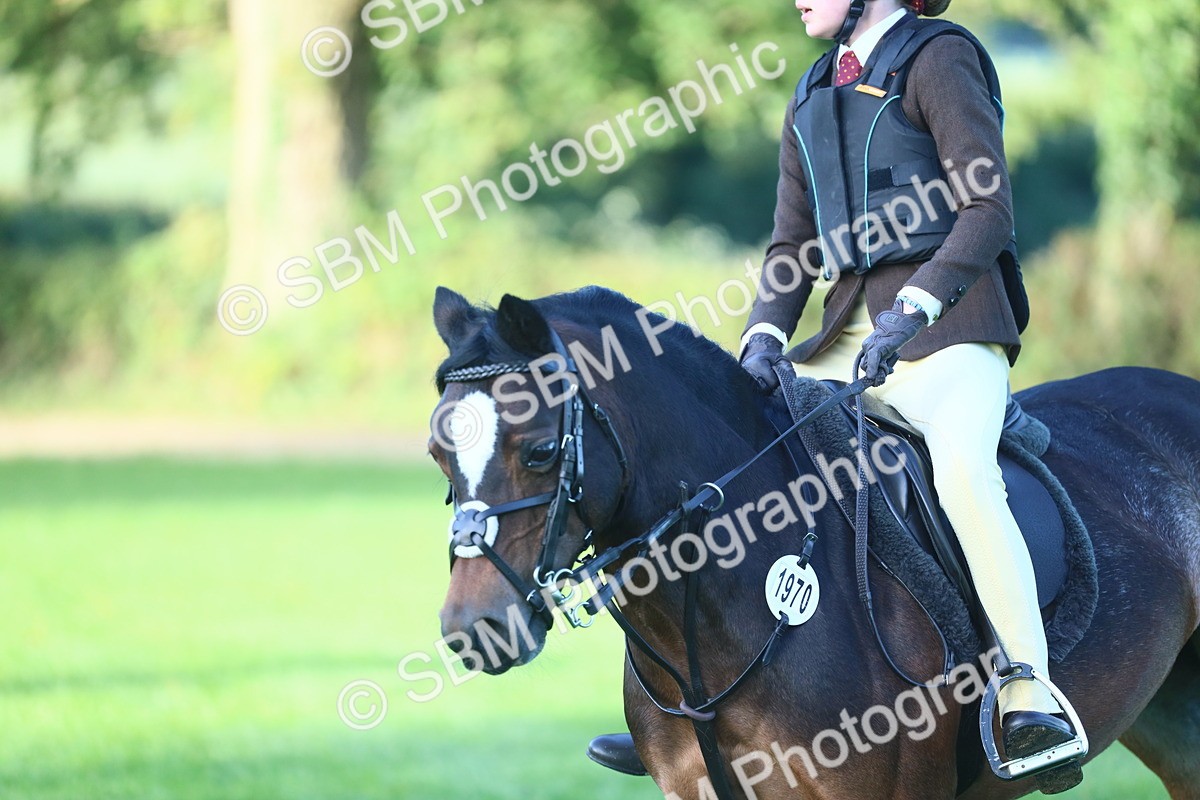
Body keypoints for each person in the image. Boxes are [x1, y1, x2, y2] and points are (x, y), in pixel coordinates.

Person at [738, 0, 1083, 791]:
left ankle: (1030, 689)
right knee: (737, 454)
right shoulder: (811, 88)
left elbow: (987, 210)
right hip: (842, 343)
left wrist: (917, 304)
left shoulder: (940, 58)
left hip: (953, 329)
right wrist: (760, 339)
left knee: (965, 473)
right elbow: (791, 247)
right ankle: (702, 696)